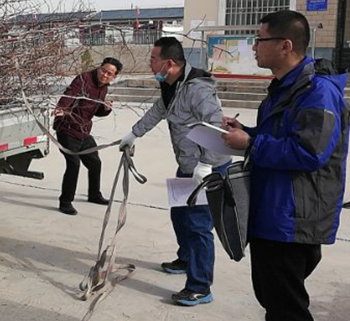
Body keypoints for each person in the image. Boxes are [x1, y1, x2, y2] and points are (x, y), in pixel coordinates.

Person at [222, 10, 349, 321]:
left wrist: (251, 144)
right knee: (274, 301)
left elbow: (310, 152)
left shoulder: (317, 92)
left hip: (291, 221)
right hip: (272, 212)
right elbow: (281, 136)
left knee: (286, 310)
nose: (254, 47)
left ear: (285, 45)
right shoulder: (285, 88)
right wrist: (246, 132)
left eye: (260, 40)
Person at [119, 37, 231, 306]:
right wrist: (133, 134)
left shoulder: (197, 89)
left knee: (199, 226)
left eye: (153, 59)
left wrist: (206, 163)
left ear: (169, 63)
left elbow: (217, 126)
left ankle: (200, 287)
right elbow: (157, 111)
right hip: (187, 166)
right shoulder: (170, 86)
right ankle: (186, 259)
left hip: (208, 169)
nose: (150, 64)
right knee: (180, 215)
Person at [53, 57, 123, 215]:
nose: (105, 75)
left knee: (95, 163)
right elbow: (70, 94)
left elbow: (96, 111)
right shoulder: (83, 79)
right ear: (99, 68)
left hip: (83, 131)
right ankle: (65, 202)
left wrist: (105, 108)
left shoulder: (103, 87)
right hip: (67, 128)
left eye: (109, 74)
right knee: (74, 164)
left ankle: (94, 195)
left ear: (114, 76)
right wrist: (62, 108)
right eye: (103, 71)